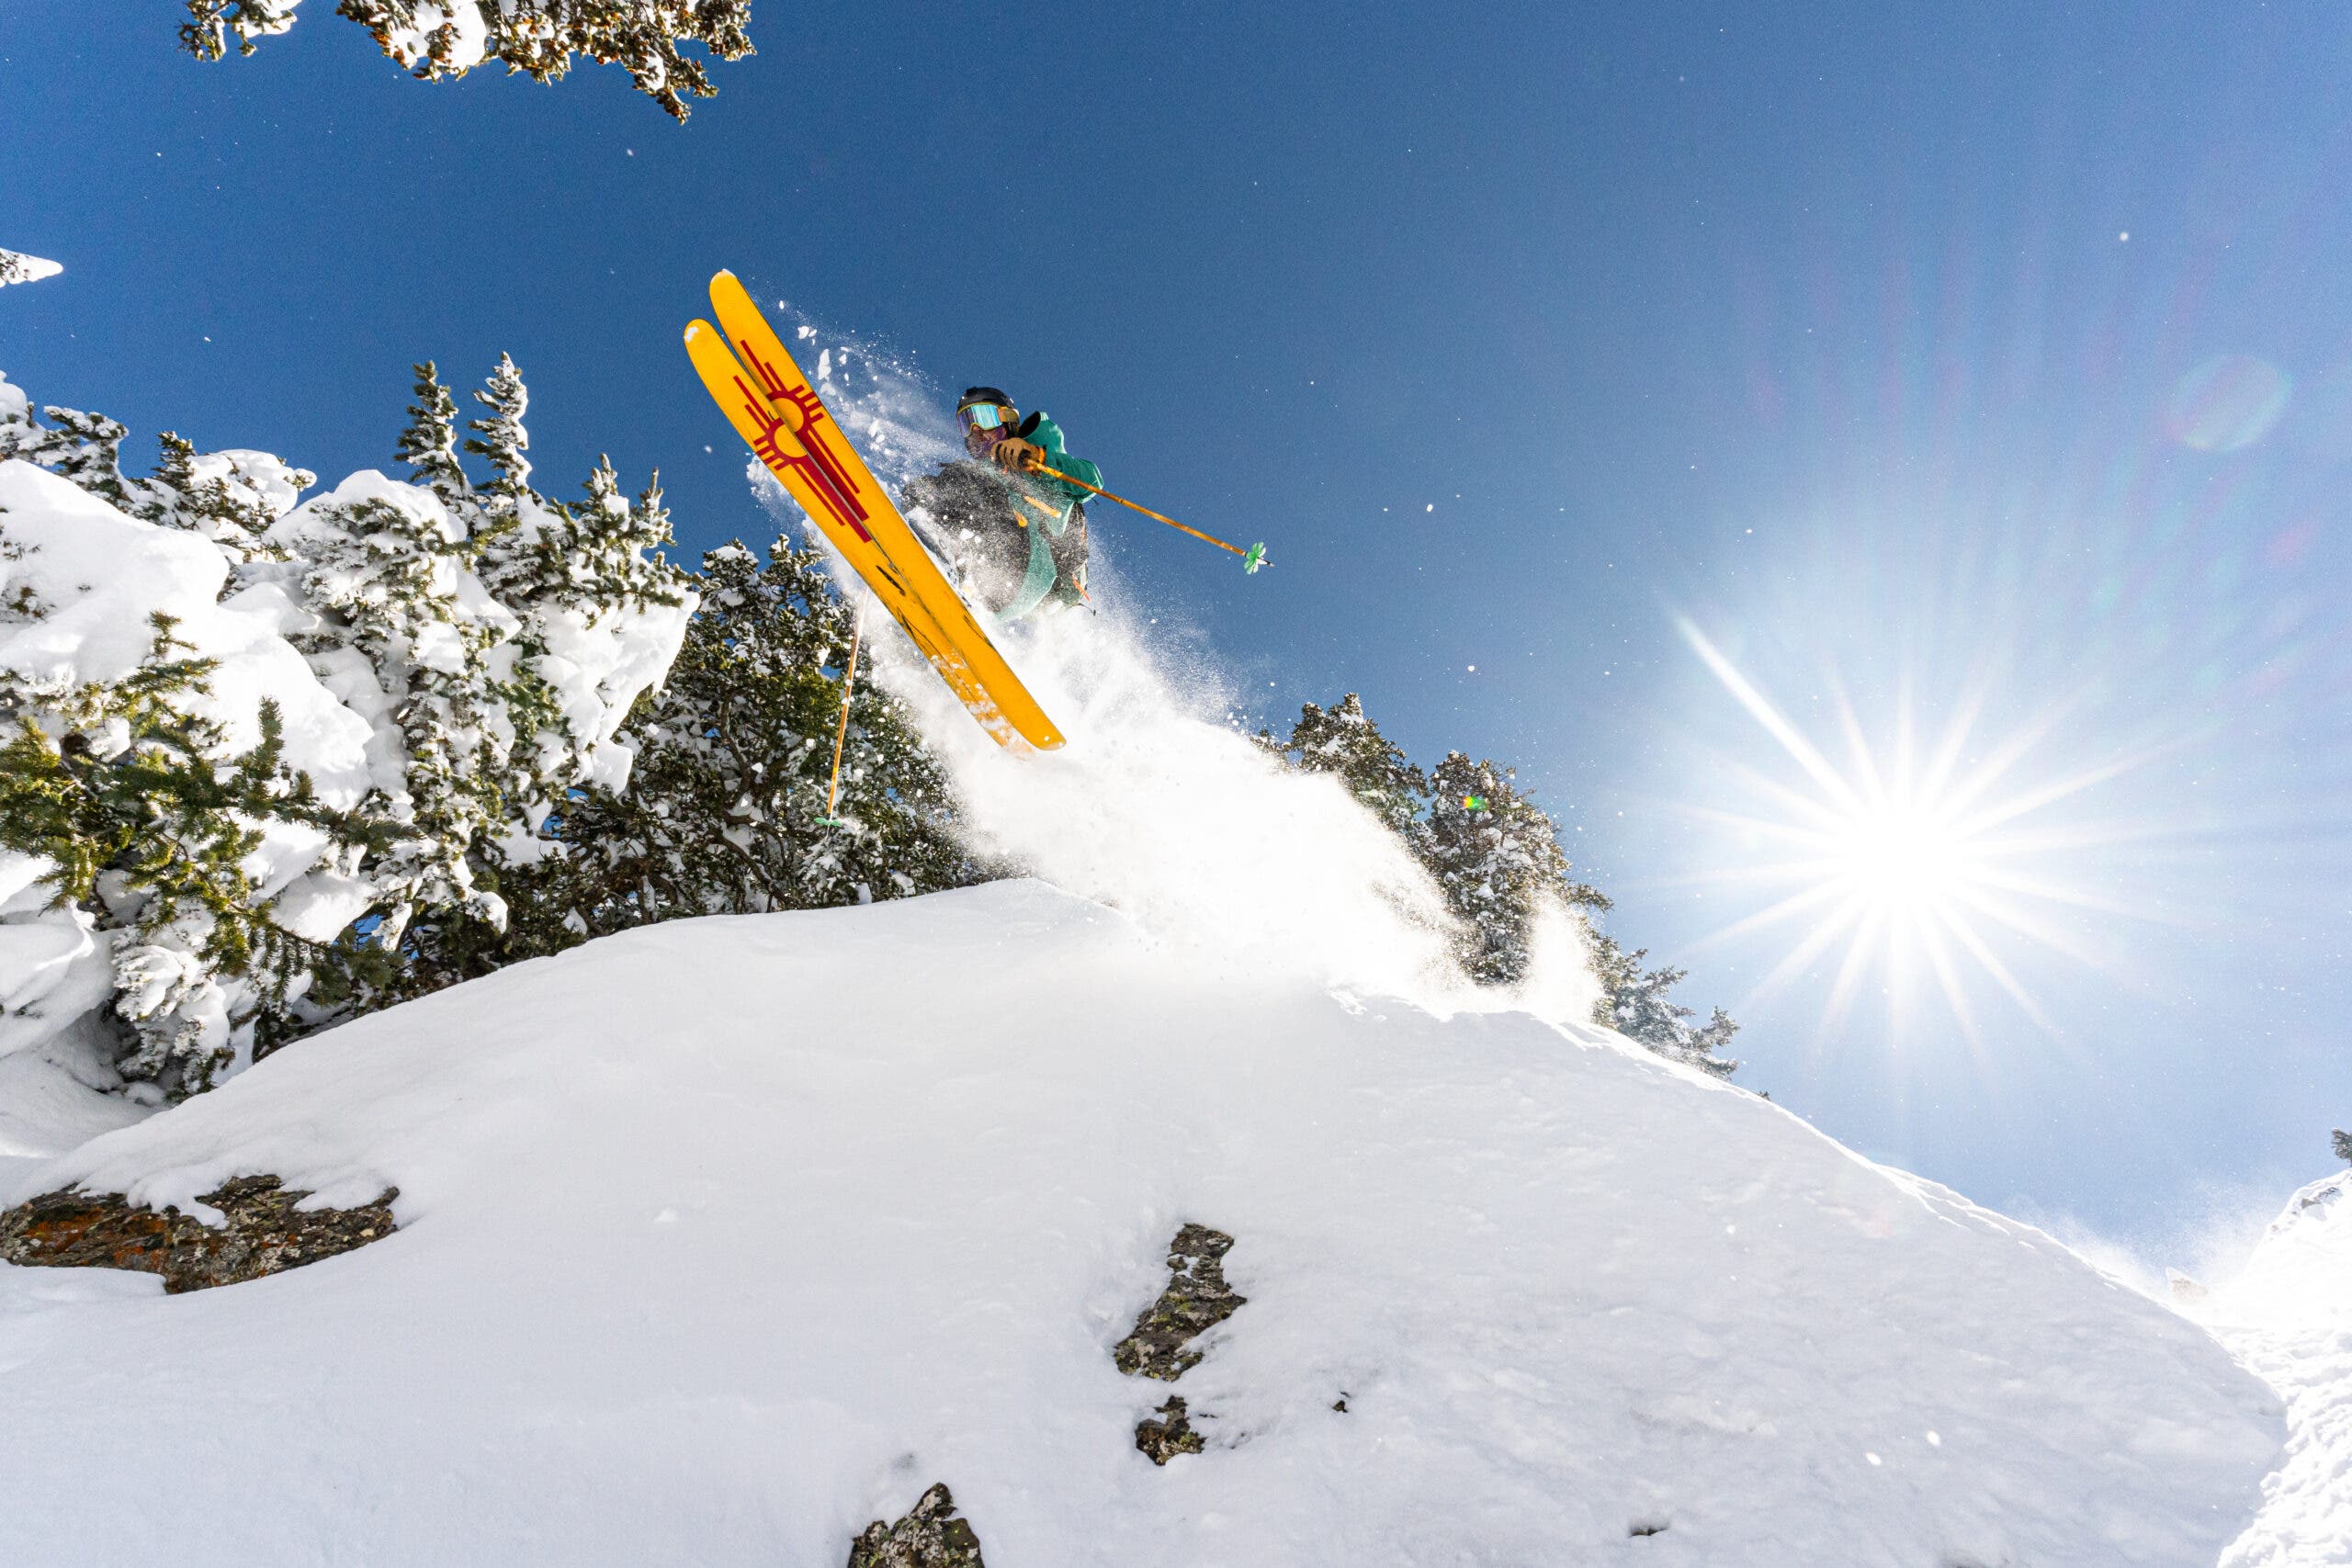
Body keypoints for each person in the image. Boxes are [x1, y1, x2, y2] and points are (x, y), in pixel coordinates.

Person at [900, 387, 1103, 621]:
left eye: (985, 419)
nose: (977, 431)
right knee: (929, 487)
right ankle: (939, 553)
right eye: (968, 424)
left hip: (1026, 573)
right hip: (994, 589)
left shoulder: (1039, 453)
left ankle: (960, 568)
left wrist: (1037, 456)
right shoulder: (979, 473)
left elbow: (1091, 482)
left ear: (1008, 422)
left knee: (974, 482)